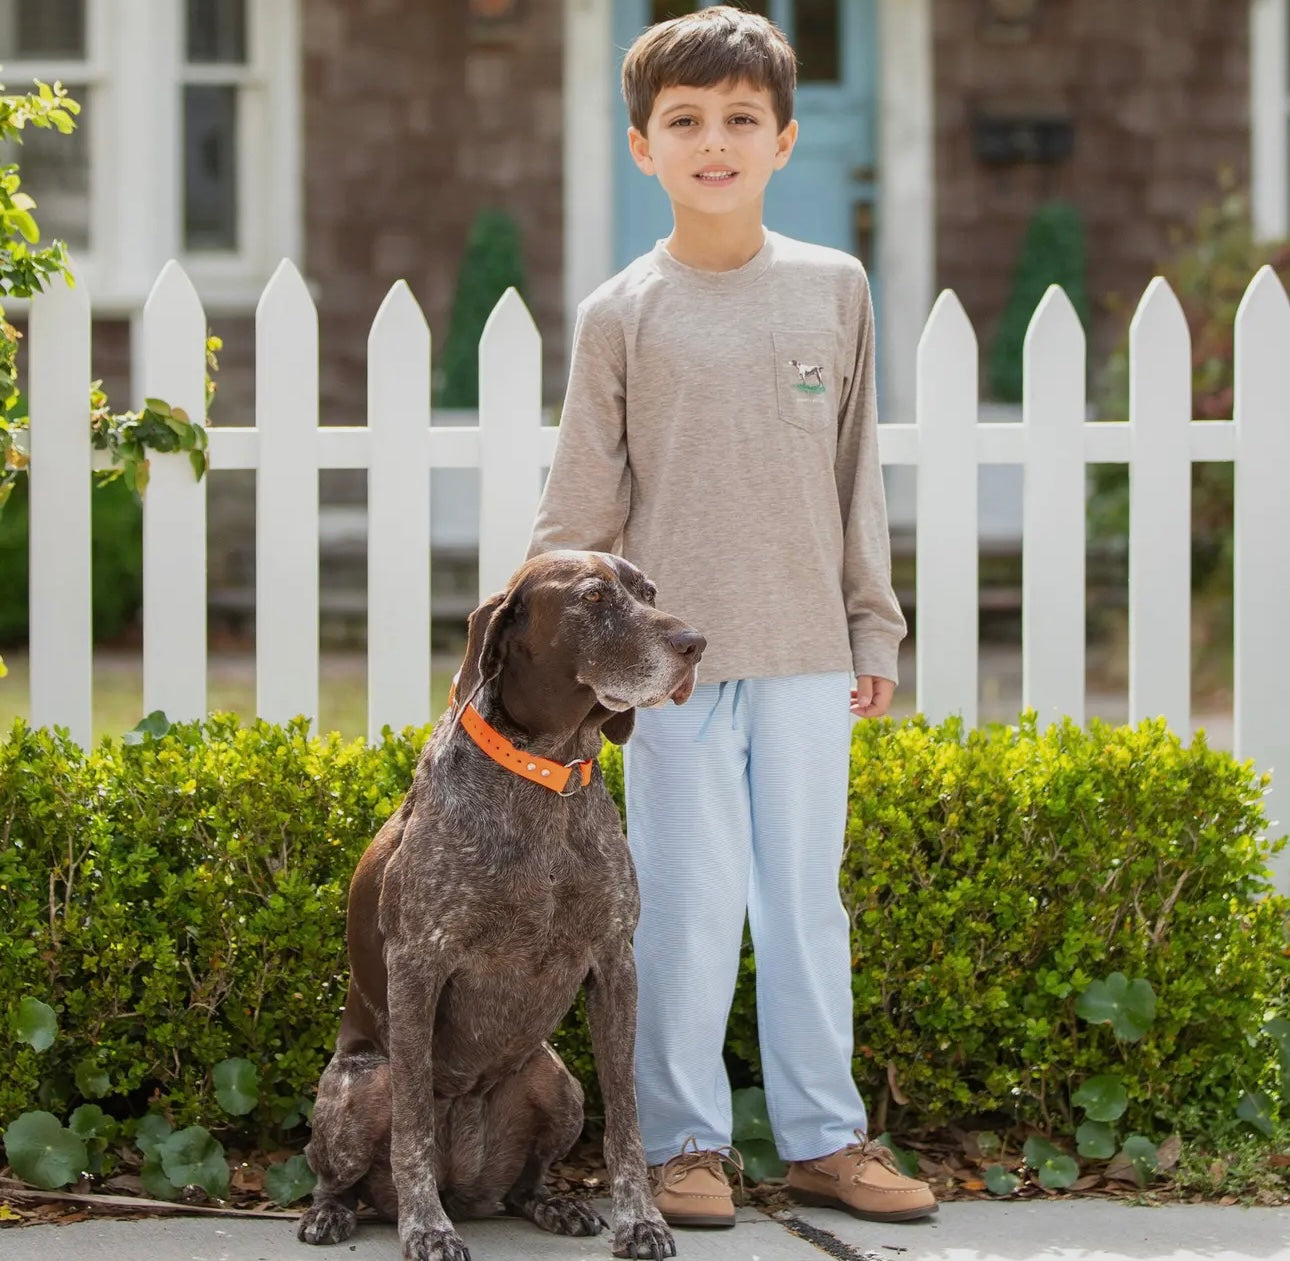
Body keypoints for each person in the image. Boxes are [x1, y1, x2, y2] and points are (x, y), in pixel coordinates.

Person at [526, 4, 935, 1230]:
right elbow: (574, 521)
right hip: (673, 677)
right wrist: (575, 671)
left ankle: (824, 1138)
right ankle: (684, 1143)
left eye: (740, 120)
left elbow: (858, 477)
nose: (716, 141)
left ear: (785, 140)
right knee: (690, 906)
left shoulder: (835, 287)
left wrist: (875, 630)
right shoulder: (621, 314)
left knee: (807, 903)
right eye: (686, 121)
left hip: (810, 651)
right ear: (642, 146)